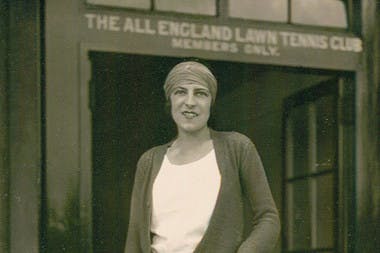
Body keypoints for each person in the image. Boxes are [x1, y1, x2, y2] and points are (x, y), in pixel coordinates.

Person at [124, 61, 280, 253]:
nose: (190, 101)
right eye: (180, 92)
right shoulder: (149, 161)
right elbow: (134, 236)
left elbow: (268, 218)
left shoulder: (237, 148)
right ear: (170, 100)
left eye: (200, 93)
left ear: (211, 102)